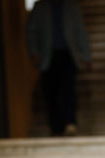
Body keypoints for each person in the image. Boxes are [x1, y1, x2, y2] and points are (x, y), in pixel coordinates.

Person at [26, 0, 91, 136]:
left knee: (68, 89)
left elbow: (80, 30)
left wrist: (86, 56)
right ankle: (56, 126)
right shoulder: (40, 7)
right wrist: (33, 51)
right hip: (47, 56)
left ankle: (70, 122)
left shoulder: (71, 6)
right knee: (51, 92)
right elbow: (30, 30)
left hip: (68, 54)